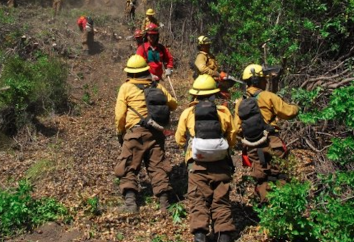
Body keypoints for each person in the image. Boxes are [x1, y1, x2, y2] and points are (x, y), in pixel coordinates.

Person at [175, 74, 236, 242]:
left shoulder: (188, 113)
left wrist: (188, 149)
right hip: (221, 164)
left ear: (195, 94)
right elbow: (232, 138)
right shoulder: (223, 112)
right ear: (213, 94)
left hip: (197, 165)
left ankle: (200, 235)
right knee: (221, 200)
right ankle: (223, 235)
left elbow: (179, 138)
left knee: (198, 200)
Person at [114, 54, 178, 213]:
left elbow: (120, 115)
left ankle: (130, 205)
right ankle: (165, 205)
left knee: (128, 166)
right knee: (157, 167)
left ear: (131, 73)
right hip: (156, 133)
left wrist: (120, 133)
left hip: (135, 133)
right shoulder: (156, 86)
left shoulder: (126, 87)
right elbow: (173, 104)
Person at [234, 64, 299, 203]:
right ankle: (282, 209)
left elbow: (237, 128)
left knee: (262, 178)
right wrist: (296, 107)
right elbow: (289, 112)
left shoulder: (240, 102)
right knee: (280, 175)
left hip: (253, 147)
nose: (266, 82)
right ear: (258, 80)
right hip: (272, 142)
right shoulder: (268, 96)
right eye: (264, 79)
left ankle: (267, 211)